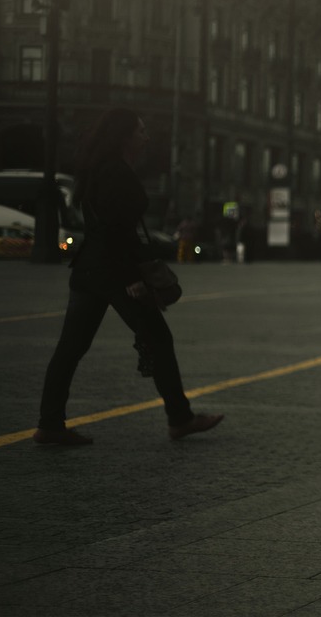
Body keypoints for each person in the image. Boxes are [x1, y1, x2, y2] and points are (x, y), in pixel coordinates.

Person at [34, 108, 223, 446]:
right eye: (140, 131)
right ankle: (179, 418)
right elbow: (114, 231)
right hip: (113, 271)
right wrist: (132, 278)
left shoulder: (99, 169)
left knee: (71, 348)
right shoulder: (115, 173)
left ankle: (50, 424)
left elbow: (109, 228)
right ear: (124, 136)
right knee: (158, 339)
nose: (146, 136)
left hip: (89, 270)